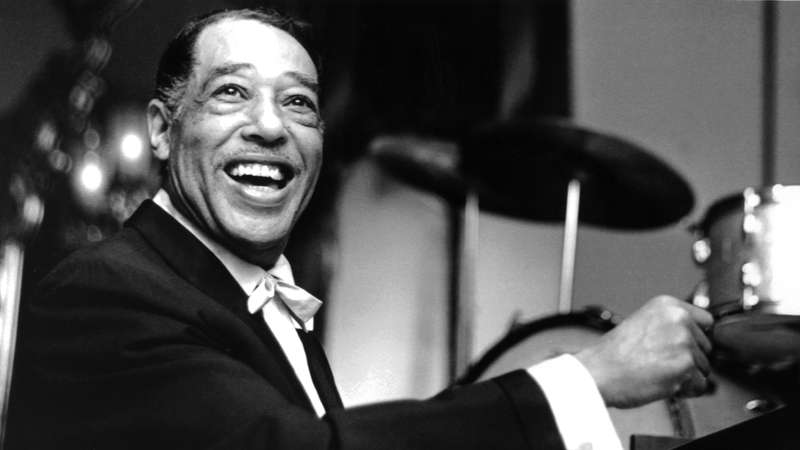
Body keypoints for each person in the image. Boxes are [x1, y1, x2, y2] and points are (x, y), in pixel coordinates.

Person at [6, 8, 713, 450]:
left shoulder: (263, 303)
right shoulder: (102, 293)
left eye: (300, 104)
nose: (271, 127)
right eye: (231, 93)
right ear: (163, 131)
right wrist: (586, 377)